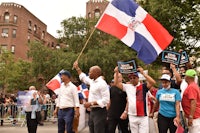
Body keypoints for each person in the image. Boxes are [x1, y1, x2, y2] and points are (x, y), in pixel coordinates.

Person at [114, 66, 156, 133]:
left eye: (134, 78)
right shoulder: (127, 87)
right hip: (132, 115)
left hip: (143, 116)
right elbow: (116, 83)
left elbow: (153, 82)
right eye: (130, 78)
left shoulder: (143, 86)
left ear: (138, 78)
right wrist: (116, 72)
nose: (132, 79)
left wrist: (143, 73)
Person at [73, 61, 110, 133]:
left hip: (100, 111)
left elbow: (106, 100)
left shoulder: (102, 83)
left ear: (96, 73)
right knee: (92, 130)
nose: (89, 73)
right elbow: (83, 77)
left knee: (98, 130)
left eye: (90, 72)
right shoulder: (92, 81)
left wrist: (91, 103)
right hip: (92, 112)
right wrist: (77, 68)